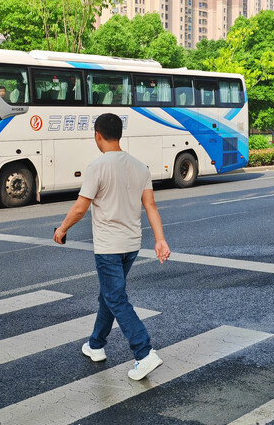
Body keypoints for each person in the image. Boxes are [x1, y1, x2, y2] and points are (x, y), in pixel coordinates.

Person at [54, 113, 171, 381]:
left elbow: (80, 208)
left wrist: (61, 230)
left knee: (116, 297)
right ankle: (96, 344)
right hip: (131, 245)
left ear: (97, 135)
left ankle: (144, 353)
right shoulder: (140, 167)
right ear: (119, 134)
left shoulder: (98, 167)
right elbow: (150, 206)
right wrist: (160, 239)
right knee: (109, 294)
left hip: (108, 247)